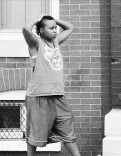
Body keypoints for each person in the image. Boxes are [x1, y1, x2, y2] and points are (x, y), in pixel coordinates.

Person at [22, 15, 81, 156]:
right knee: (35, 134)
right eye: (51, 28)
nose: (55, 30)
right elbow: (25, 29)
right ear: (41, 30)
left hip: (58, 95)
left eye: (56, 28)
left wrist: (53, 20)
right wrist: (37, 20)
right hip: (39, 95)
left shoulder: (55, 42)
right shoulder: (36, 44)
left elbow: (70, 27)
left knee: (67, 130)